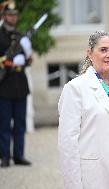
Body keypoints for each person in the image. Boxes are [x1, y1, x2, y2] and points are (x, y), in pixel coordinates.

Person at [58, 31, 109, 189]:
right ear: (89, 53)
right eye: (103, 49)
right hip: (94, 174)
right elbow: (68, 143)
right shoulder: (75, 88)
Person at [0, 0, 32, 167]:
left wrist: (27, 55)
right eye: (9, 15)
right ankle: (4, 156)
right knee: (4, 123)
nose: (13, 18)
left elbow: (29, 60)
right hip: (4, 84)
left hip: (20, 83)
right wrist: (7, 62)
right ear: (4, 16)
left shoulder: (21, 36)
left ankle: (18, 155)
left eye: (14, 15)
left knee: (20, 123)